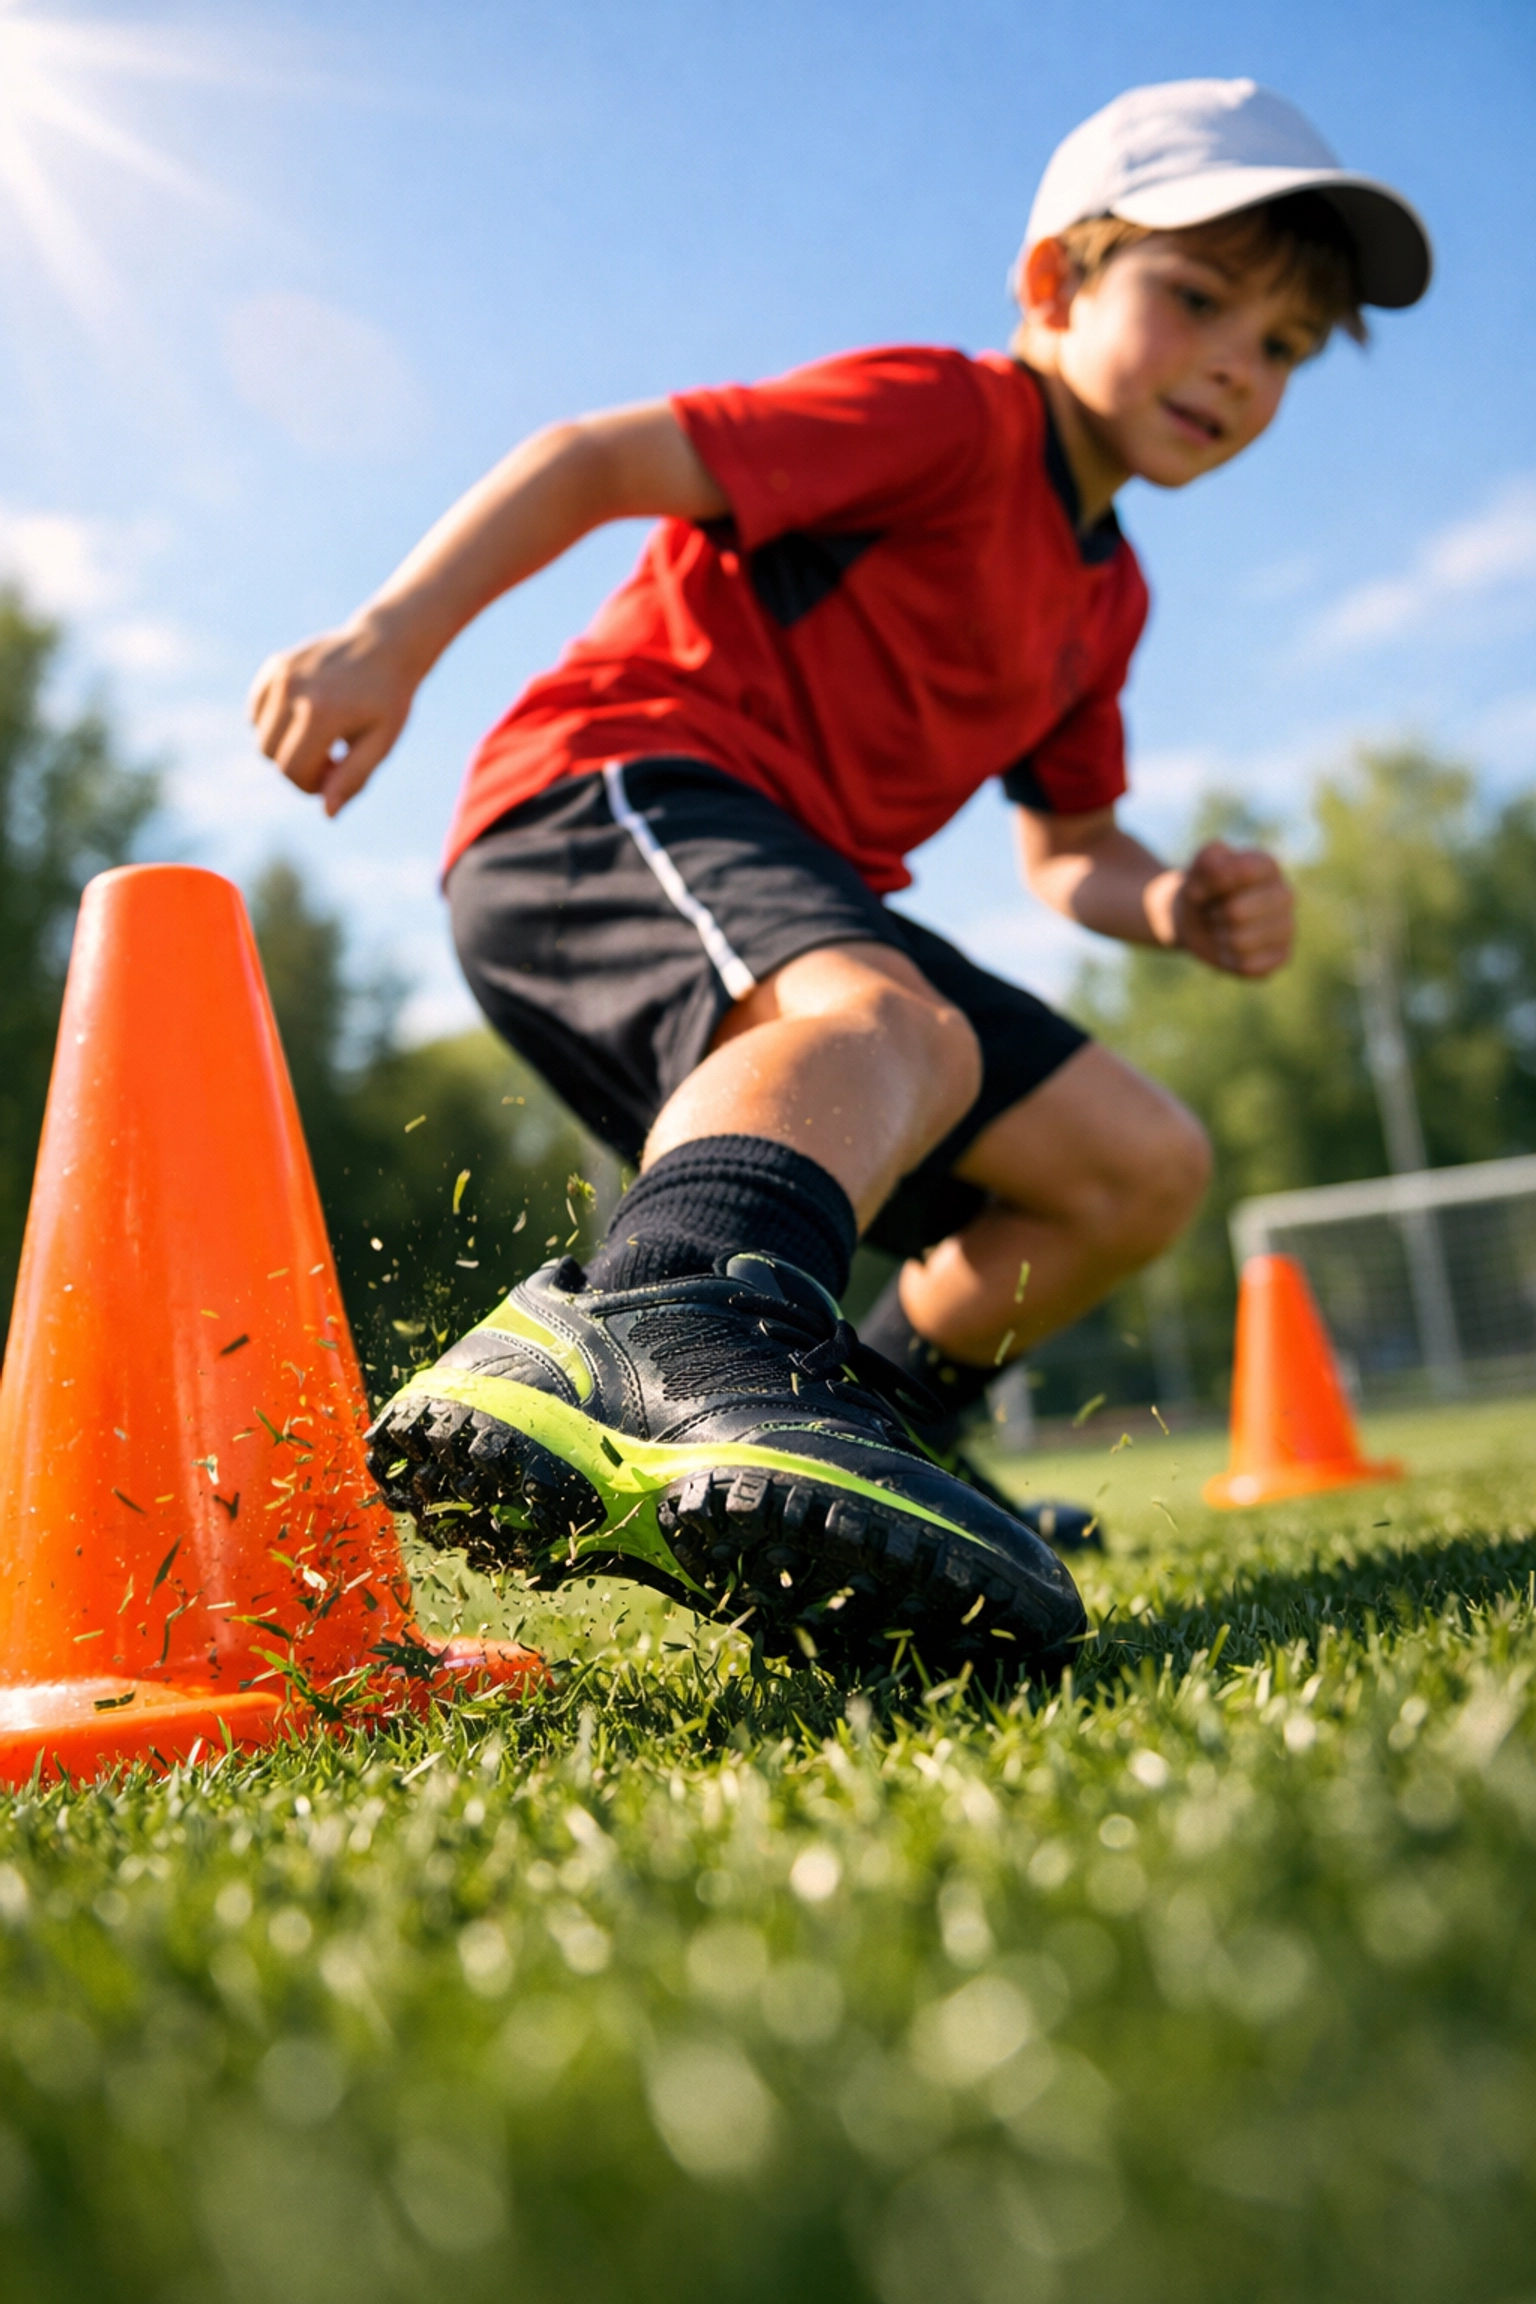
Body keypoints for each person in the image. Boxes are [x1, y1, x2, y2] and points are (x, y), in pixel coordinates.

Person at [250, 78, 1429, 1681]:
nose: (1239, 362)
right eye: (1199, 296)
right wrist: (390, 635)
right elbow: (597, 458)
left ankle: (863, 1433)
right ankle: (651, 1320)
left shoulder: (1110, 595)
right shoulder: (950, 417)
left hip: (799, 884)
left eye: (1283, 346)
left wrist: (1174, 905)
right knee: (895, 1023)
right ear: (1055, 284)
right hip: (602, 799)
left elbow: (1068, 850)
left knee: (1137, 1163)